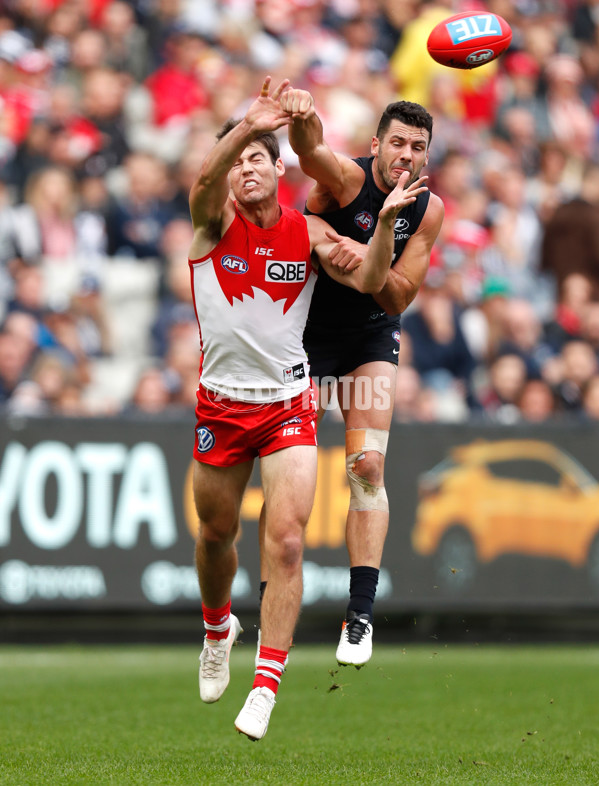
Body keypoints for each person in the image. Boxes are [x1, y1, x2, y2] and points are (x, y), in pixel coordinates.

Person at [189, 76, 427, 741]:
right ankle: (217, 628)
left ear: (277, 168)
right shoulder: (211, 223)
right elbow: (207, 176)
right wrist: (246, 125)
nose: (244, 168)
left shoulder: (306, 231)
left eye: (258, 157)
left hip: (289, 403)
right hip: (221, 404)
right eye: (237, 161)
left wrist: (381, 230)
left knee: (288, 539)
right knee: (215, 534)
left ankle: (266, 684)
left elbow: (374, 281)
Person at [269, 80, 444, 668]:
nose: (407, 156)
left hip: (369, 334)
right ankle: (271, 596)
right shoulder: (349, 178)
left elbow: (392, 297)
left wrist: (363, 254)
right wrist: (302, 113)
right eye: (398, 143)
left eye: (418, 147)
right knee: (291, 469)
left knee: (368, 465)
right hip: (308, 335)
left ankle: (360, 614)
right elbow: (309, 149)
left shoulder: (427, 209)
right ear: (377, 145)